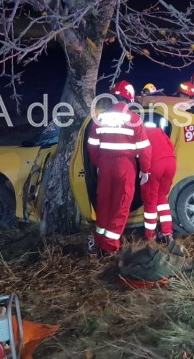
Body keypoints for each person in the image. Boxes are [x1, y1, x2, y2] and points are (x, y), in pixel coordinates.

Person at [86, 80, 152, 256]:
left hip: (105, 165)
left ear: (114, 97)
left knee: (104, 203)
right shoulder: (134, 119)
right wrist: (145, 170)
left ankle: (100, 240)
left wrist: (100, 164)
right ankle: (109, 246)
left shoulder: (100, 118)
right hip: (125, 166)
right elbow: (144, 149)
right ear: (129, 99)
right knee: (121, 205)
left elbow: (92, 146)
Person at [141, 115, 177, 244]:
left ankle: (150, 236)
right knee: (161, 197)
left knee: (150, 201)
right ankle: (167, 233)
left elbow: (143, 154)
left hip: (155, 165)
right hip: (170, 163)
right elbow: (170, 146)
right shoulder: (157, 130)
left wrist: (144, 171)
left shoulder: (139, 134)